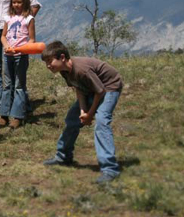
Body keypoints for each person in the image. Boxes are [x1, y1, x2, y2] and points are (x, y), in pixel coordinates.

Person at [41, 41, 123, 184]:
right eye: (46, 63)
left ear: (62, 57)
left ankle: (110, 169)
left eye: (50, 61)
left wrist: (90, 115)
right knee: (72, 120)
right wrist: (82, 111)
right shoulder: (64, 71)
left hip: (109, 87)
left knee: (102, 122)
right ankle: (63, 157)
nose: (48, 66)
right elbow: (78, 88)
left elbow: (100, 92)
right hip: (90, 89)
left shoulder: (81, 69)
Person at [0, 0, 35, 129]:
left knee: (19, 85)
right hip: (8, 56)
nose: (16, 4)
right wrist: (6, 46)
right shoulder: (8, 18)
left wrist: (23, 49)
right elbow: (3, 36)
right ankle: (3, 114)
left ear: (25, 2)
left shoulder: (29, 19)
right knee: (7, 85)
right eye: (14, 2)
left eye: (19, 2)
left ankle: (17, 116)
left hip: (21, 56)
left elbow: (32, 39)